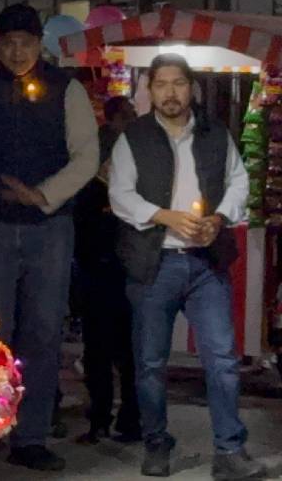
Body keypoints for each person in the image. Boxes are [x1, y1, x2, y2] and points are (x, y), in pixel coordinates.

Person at [0, 4, 99, 472]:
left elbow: (86, 158)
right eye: (9, 43)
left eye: (27, 43)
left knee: (42, 333)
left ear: (41, 44)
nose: (18, 52)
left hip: (49, 230)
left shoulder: (67, 89)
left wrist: (42, 195)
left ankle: (31, 436)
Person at [108, 54, 265, 480]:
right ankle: (157, 442)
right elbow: (120, 195)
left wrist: (219, 219)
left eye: (178, 83)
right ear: (149, 90)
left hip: (205, 263)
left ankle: (229, 450)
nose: (171, 92)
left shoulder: (216, 133)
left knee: (222, 359)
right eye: (161, 84)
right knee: (151, 363)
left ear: (191, 87)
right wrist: (166, 216)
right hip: (153, 262)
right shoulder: (134, 137)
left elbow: (238, 181)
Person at [74, 95, 140, 446]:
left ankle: (125, 419)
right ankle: (102, 419)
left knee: (125, 352)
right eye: (127, 114)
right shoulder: (93, 183)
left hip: (124, 273)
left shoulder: (137, 157)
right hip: (100, 273)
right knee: (101, 351)